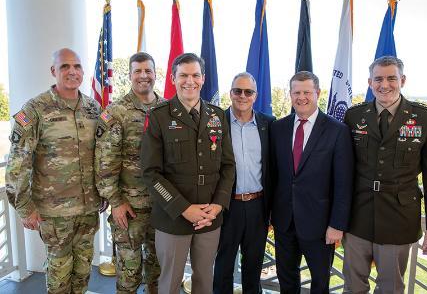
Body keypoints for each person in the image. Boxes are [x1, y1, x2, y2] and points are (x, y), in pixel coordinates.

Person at [343, 56, 427, 293]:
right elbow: (342, 169)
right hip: (357, 217)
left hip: (399, 218)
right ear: (370, 82)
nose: (385, 84)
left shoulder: (425, 118)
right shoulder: (353, 116)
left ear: (403, 80)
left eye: (391, 78)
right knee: (352, 287)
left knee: (390, 288)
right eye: (378, 79)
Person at [5, 48, 104, 294]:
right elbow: (18, 163)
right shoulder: (35, 110)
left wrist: (104, 192)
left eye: (77, 66)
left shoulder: (93, 108)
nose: (72, 71)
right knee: (59, 275)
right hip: (54, 212)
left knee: (82, 272)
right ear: (54, 71)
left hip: (88, 207)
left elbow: (104, 155)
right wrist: (25, 208)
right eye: (64, 67)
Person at [140, 52, 235, 294]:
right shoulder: (159, 116)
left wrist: (218, 205)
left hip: (209, 216)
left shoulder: (217, 116)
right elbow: (151, 173)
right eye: (183, 75)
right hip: (173, 217)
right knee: (170, 282)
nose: (189, 81)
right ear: (173, 78)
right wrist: (184, 208)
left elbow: (228, 165)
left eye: (195, 75)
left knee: (204, 281)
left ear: (203, 78)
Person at [270, 71, 353, 293]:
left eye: (307, 92)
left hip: (320, 225)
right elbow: (273, 176)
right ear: (290, 94)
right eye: (296, 92)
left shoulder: (337, 131)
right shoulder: (278, 128)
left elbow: (343, 183)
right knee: (286, 279)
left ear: (317, 93)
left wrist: (337, 224)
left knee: (319, 282)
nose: (302, 97)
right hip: (284, 222)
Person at [95, 52, 163, 294]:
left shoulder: (167, 109)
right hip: (129, 210)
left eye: (148, 71)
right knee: (129, 276)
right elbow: (104, 163)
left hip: (162, 208)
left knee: (158, 272)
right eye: (138, 71)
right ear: (130, 75)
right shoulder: (116, 112)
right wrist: (116, 202)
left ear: (155, 74)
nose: (143, 76)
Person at [213, 72, 275, 294]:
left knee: (253, 266)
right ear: (230, 93)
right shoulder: (216, 122)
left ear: (255, 96)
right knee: (223, 266)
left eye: (248, 92)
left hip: (258, 206)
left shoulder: (269, 124)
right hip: (227, 205)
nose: (242, 96)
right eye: (237, 91)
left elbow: (273, 170)